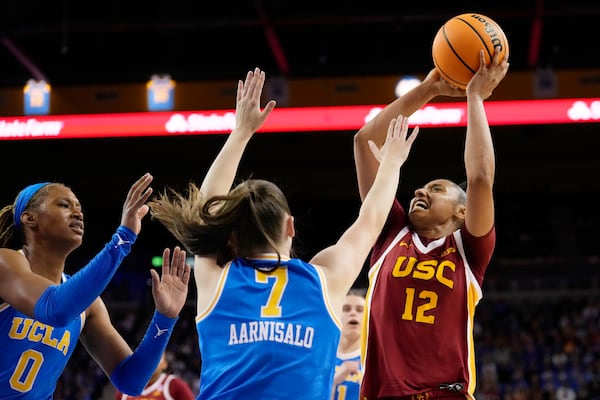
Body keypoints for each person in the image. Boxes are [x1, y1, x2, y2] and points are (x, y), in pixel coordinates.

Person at [147, 67, 417, 399]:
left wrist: (240, 133)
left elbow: (205, 208)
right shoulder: (324, 279)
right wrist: (391, 164)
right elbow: (372, 218)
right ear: (290, 225)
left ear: (231, 236)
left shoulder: (215, 278)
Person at [353, 48, 509, 400]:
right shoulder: (390, 232)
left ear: (462, 212)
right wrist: (428, 89)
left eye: (437, 189)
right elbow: (365, 143)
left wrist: (474, 97)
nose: (421, 189)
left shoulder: (470, 251)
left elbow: (481, 177)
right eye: (422, 186)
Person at [0, 174, 191, 399]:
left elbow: (131, 381)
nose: (78, 213)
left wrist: (165, 317)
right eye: (64, 204)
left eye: (79, 207)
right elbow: (55, 309)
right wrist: (123, 239)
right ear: (29, 218)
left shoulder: (88, 304)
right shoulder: (5, 263)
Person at [114, 351, 195, 400]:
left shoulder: (175, 385)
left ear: (165, 364)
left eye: (157, 358)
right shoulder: (126, 385)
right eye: (147, 358)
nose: (151, 362)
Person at [331, 289, 366, 400]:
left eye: (360, 310)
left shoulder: (373, 360)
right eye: (346, 309)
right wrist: (333, 382)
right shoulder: (323, 354)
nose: (353, 313)